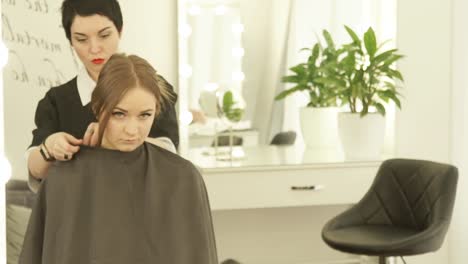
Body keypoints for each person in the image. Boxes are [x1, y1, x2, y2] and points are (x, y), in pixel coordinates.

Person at [19, 53, 218, 264]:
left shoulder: (183, 178)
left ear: (156, 112)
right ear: (97, 108)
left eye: (145, 115)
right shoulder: (64, 177)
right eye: (119, 114)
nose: (132, 130)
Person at [26, 0, 179, 192]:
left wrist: (111, 135)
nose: (95, 48)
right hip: (80, 213)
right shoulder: (57, 101)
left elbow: (171, 155)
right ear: (70, 41)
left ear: (120, 31)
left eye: (104, 35)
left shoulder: (153, 88)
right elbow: (35, 169)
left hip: (144, 208)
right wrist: (49, 147)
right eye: (82, 39)